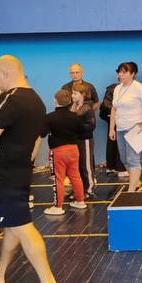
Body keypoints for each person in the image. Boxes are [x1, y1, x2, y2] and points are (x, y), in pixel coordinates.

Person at [0, 55, 65, 283]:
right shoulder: (37, 101)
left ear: (4, 73)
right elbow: (37, 140)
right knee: (13, 227)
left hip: (5, 174)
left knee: (22, 227)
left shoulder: (12, 99)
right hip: (21, 170)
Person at [44, 88, 93, 216]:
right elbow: (83, 130)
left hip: (58, 151)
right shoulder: (75, 116)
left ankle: (58, 207)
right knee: (75, 176)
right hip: (73, 150)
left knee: (58, 178)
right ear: (69, 102)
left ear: (55, 101)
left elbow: (42, 133)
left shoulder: (50, 117)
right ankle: (80, 201)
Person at [60, 62, 100, 197]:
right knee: (75, 165)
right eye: (72, 72)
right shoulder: (72, 106)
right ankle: (78, 189)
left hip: (84, 139)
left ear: (83, 94)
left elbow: (90, 125)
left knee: (85, 164)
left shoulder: (86, 107)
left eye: (75, 94)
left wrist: (78, 124)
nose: (72, 96)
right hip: (73, 139)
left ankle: (89, 189)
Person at [108, 61, 142, 193]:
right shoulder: (117, 88)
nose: (120, 75)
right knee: (124, 159)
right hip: (120, 128)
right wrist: (112, 128)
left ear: (132, 74)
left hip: (135, 127)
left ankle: (131, 190)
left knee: (133, 160)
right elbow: (114, 108)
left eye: (124, 72)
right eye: (119, 72)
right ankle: (137, 183)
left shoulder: (139, 88)